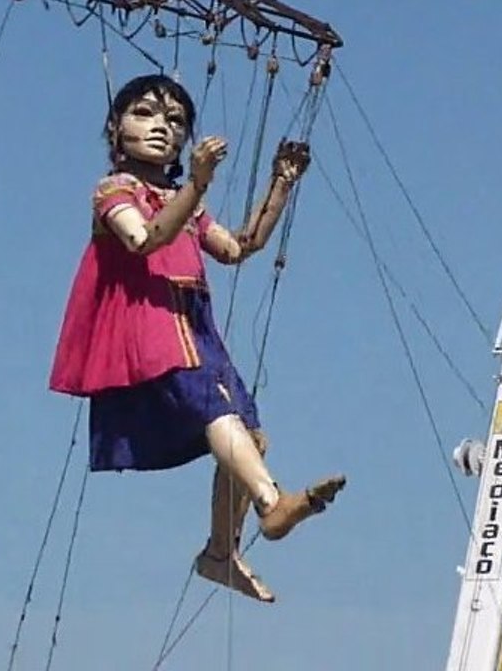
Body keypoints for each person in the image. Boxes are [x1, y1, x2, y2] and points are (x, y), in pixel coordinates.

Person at [49, 74, 345, 603]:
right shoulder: (115, 191)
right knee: (215, 411)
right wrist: (199, 184)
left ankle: (219, 552)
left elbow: (237, 247)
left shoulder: (182, 201)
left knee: (248, 438)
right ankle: (271, 503)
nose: (162, 127)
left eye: (176, 121)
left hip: (193, 320)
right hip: (150, 320)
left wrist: (281, 183)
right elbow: (145, 239)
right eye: (145, 114)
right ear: (115, 129)